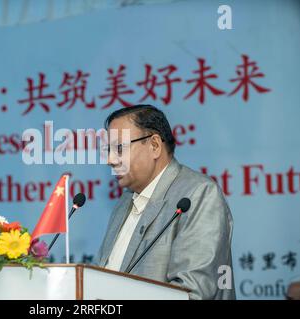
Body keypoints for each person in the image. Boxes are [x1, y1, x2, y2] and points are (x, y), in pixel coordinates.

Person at [95, 104, 235, 299]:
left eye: (119, 148)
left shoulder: (198, 194)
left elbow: (192, 292)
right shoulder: (124, 203)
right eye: (107, 149)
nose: (110, 159)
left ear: (154, 146)